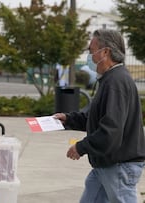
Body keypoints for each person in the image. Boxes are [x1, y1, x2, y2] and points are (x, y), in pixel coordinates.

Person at [53, 29, 145, 203]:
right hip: (106, 164)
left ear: (105, 52)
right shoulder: (110, 79)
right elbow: (96, 119)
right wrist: (68, 119)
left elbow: (111, 130)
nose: (89, 56)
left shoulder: (116, 82)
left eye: (91, 51)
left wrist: (81, 147)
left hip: (119, 166)